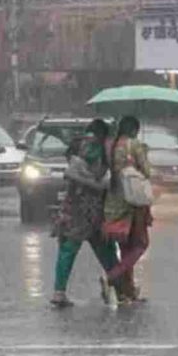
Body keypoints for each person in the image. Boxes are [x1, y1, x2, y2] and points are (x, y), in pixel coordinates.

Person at [50, 119, 118, 308]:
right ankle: (120, 286)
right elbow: (99, 174)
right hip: (92, 208)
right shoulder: (97, 147)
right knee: (106, 250)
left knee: (67, 250)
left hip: (72, 207)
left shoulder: (77, 144)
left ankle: (59, 292)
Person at [103, 116, 152, 303]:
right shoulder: (136, 146)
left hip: (114, 200)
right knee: (140, 244)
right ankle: (112, 276)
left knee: (125, 248)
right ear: (134, 130)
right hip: (133, 201)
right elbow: (146, 172)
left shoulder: (110, 145)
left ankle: (127, 292)